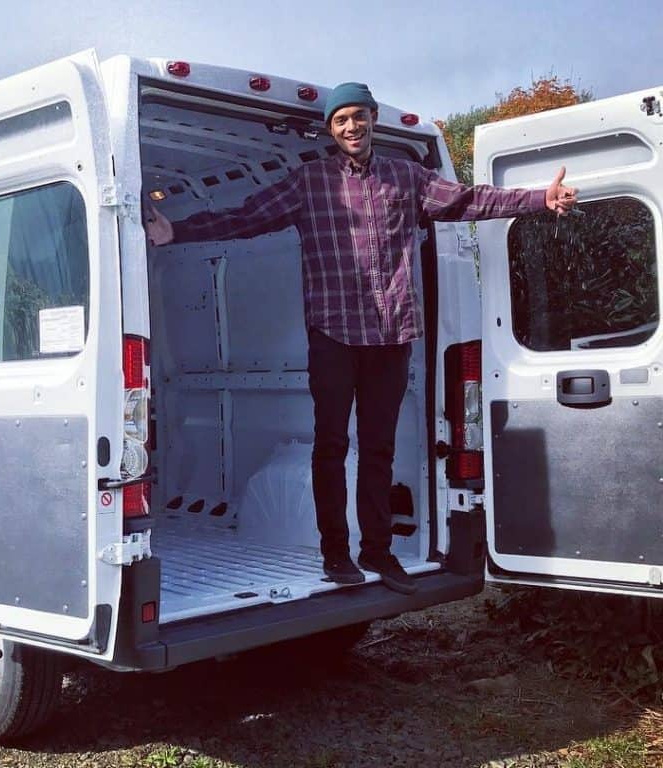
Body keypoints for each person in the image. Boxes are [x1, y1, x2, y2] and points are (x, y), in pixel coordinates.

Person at [144, 82, 578, 595]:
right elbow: (247, 216)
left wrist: (536, 198)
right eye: (340, 121)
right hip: (332, 332)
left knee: (379, 449)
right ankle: (336, 554)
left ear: (371, 118)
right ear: (330, 130)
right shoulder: (310, 182)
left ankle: (378, 550)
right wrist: (180, 231)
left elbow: (468, 199)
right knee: (331, 446)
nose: (351, 127)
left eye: (357, 117)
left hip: (392, 334)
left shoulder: (405, 176)